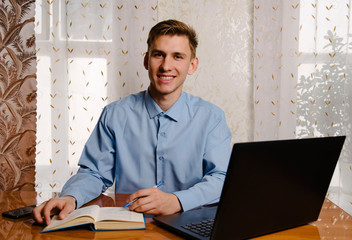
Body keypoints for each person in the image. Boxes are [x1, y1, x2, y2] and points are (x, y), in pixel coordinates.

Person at [33, 19, 232, 225]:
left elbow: (221, 178)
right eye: (158, 55)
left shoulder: (211, 118)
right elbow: (94, 173)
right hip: (129, 227)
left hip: (191, 226)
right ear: (146, 60)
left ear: (192, 65)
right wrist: (70, 197)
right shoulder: (114, 114)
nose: (166, 66)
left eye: (177, 57)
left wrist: (176, 201)